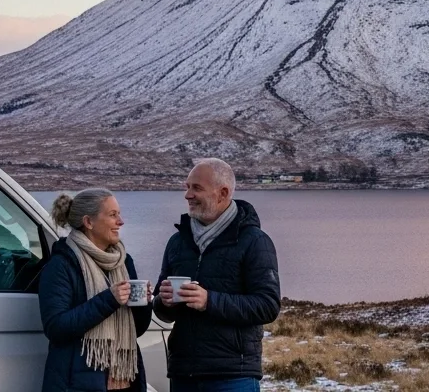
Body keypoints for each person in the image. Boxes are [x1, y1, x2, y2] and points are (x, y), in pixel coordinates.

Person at [155, 158, 281, 392]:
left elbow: (268, 305)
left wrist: (209, 301)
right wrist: (164, 300)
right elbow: (162, 311)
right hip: (184, 373)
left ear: (222, 193)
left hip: (233, 376)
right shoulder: (177, 242)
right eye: (187, 187)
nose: (188, 195)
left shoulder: (254, 241)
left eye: (196, 188)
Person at [40, 188, 152, 392]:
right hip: (78, 385)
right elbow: (56, 327)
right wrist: (109, 299)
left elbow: (137, 329)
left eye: (119, 214)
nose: (121, 221)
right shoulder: (62, 265)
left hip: (125, 382)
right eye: (113, 215)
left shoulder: (124, 262)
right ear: (88, 222)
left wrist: (144, 303)